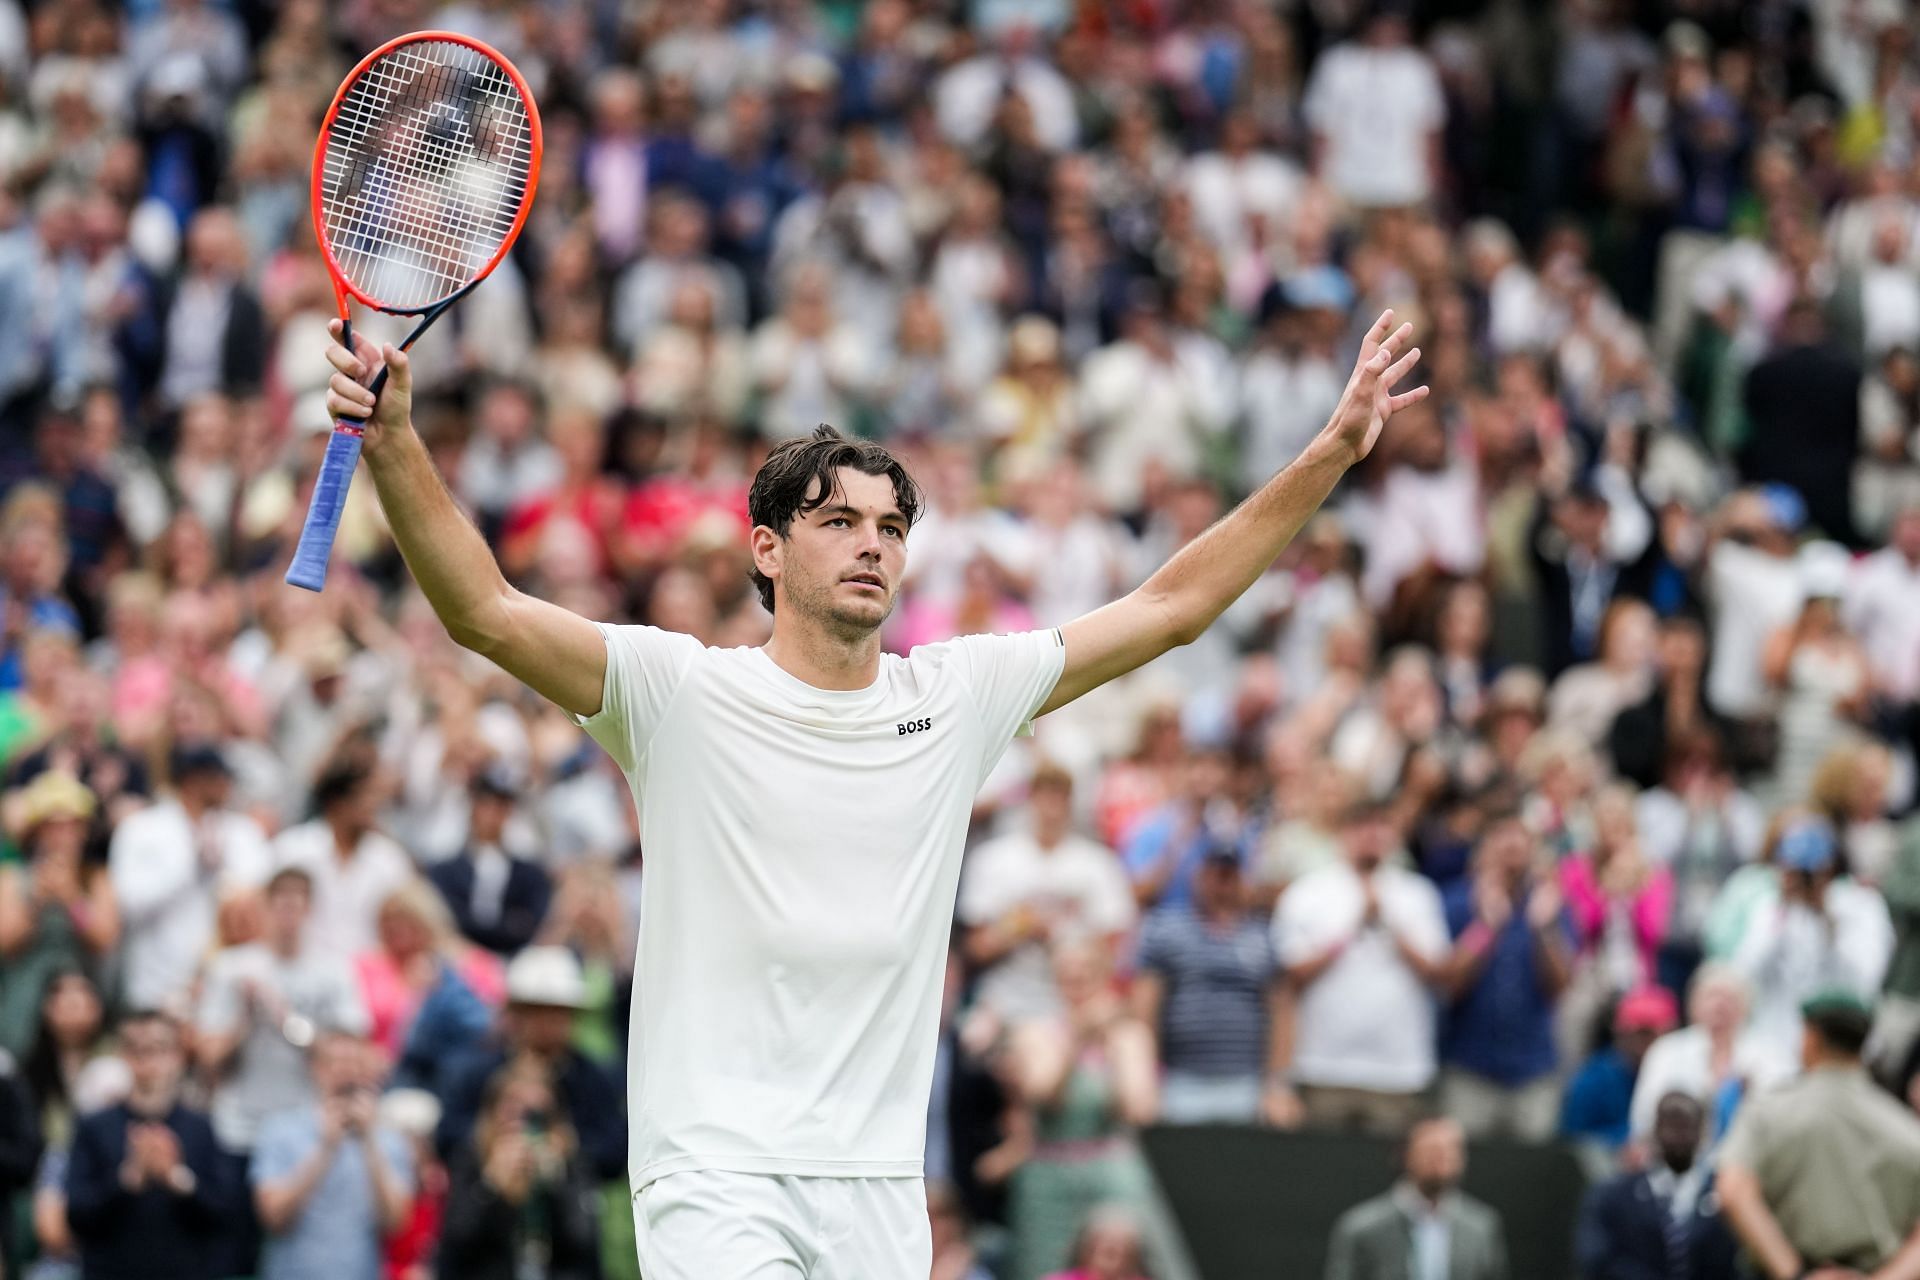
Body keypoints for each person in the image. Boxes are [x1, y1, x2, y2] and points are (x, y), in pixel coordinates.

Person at [326, 242, 1429, 1272]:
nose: (872, 542)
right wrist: (398, 441)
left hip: (879, 1189)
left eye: (893, 527)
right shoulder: (680, 692)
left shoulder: (956, 696)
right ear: (766, 546)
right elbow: (484, 609)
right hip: (717, 1170)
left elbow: (1174, 604)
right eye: (839, 519)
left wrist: (1329, 453)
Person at [196, 864, 368, 1277]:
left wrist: (282, 1015)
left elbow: (350, 1052)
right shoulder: (233, 967)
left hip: (303, 1126)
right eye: (280, 903)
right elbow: (208, 1056)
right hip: (239, 1127)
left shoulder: (333, 970)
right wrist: (244, 1016)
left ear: (310, 909)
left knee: (297, 1246)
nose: (288, 913)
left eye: (298, 903)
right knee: (235, 1249)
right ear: (266, 908)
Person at [1272, 797, 1451, 1135]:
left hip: (1398, 1073)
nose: (1371, 835)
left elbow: (1438, 972)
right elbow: (1291, 975)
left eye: (1380, 826)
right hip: (1323, 1069)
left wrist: (1388, 924)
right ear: (1343, 833)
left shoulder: (1417, 894)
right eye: (1361, 826)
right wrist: (1351, 927)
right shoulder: (1307, 893)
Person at [1717, 990, 1920, 1280]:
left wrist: (1795, 1273)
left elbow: (1733, 1190)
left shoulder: (1767, 1112)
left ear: (1810, 1037)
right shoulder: (1904, 1127)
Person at [958, 759, 1137, 1024]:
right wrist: (1022, 927)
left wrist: (1068, 941)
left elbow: (1116, 947)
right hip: (1010, 996)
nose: (1051, 808)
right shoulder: (993, 859)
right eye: (1044, 796)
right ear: (1030, 800)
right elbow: (975, 948)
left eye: (1058, 797)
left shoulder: (1098, 863)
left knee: (1130, 1036)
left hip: (1081, 999)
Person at [1438, 807, 1576, 1141]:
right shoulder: (1456, 901)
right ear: (1484, 845)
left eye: (1520, 836)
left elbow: (1560, 986)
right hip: (1470, 1067)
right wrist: (1485, 928)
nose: (1511, 844)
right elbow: (1448, 986)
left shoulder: (1551, 906)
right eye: (1502, 834)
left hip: (1533, 1070)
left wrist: (1543, 929)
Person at [65, 1010, 234, 1280]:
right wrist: (127, 1180)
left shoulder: (199, 1127)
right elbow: (77, 1216)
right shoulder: (94, 1126)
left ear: (177, 1056)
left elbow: (222, 1214)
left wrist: (177, 1178)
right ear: (123, 1055)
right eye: (136, 1049)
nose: (146, 1061)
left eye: (157, 1049)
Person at [434, 946, 624, 1184]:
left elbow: (615, 1152)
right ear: (515, 1013)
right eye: (537, 1011)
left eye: (559, 1012)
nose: (549, 1022)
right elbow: (446, 1139)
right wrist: (493, 1138)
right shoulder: (478, 1072)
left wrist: (569, 1147)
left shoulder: (591, 1077)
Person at [106, 743, 271, 1017]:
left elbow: (259, 902)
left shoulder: (244, 832)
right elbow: (128, 905)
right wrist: (191, 865)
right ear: (193, 780)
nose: (227, 785)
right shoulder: (141, 829)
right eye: (219, 777)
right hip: (155, 988)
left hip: (226, 995)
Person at [1131, 848, 1283, 1125]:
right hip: (1180, 1080)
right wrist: (1147, 1076)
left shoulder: (1262, 936)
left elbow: (1281, 1010)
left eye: (1229, 876)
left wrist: (1277, 1084)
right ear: (1198, 877)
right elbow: (1145, 1005)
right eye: (1215, 875)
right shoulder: (1167, 930)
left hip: (1246, 1082)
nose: (1222, 885)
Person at [250, 1029, 413, 1280]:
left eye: (355, 1063)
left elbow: (396, 1223)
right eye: (336, 1062)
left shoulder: (388, 1139)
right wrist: (325, 1148)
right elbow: (273, 1217)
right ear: (315, 1068)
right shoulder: (280, 1130)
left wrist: (369, 1142)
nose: (346, 1072)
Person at [437, 1058, 600, 1280]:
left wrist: (553, 1180)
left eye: (536, 1116)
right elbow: (454, 1249)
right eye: (513, 1111)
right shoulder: (470, 1160)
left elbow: (584, 1243)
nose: (522, 1127)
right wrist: (491, 1187)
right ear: (493, 1112)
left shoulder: (570, 1162)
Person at [1574, 1091, 1740, 1280]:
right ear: (1655, 1129)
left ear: (1701, 1132)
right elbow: (1597, 1259)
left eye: (1686, 1127)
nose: (1678, 1137)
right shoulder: (1614, 1197)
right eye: (1671, 1126)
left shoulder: (1720, 1196)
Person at [1323, 1117, 1508, 1280]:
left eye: (1450, 1151)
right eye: (1432, 1150)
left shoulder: (1482, 1226)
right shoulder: (1362, 1227)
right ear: (1407, 1155)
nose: (1441, 1160)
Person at [273, 753, 415, 959]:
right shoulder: (293, 849)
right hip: (301, 970)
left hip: (370, 975)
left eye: (375, 796)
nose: (373, 805)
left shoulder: (390, 858)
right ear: (337, 802)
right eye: (365, 796)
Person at [424, 762, 552, 958]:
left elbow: (531, 924)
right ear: (473, 805)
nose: (494, 813)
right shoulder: (445, 872)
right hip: (457, 960)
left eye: (503, 805)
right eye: (488, 803)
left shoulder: (530, 875)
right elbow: (446, 918)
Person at [1560, 987, 1680, 1160]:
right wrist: (1622, 1143)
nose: (1650, 1044)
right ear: (1622, 1034)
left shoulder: (1681, 1072)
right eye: (1643, 1033)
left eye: (1661, 1034)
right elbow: (1571, 1139)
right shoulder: (1594, 1079)